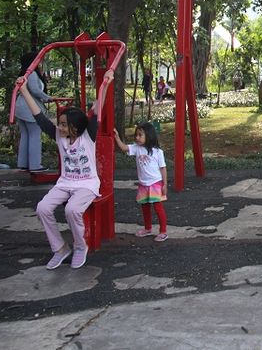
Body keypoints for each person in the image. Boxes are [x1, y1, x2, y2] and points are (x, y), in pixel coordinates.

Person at [16, 69, 114, 270]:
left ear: (76, 128)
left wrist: (107, 83)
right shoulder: (59, 137)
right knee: (42, 209)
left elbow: (98, 108)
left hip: (86, 184)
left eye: (63, 125)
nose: (58, 127)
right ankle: (60, 248)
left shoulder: (88, 136)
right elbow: (39, 116)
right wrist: (23, 89)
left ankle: (80, 246)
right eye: (59, 124)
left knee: (72, 209)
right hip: (66, 183)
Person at [113, 122, 169, 242]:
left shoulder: (158, 152)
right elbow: (123, 148)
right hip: (143, 184)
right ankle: (148, 228)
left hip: (155, 183)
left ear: (149, 135)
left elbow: (163, 168)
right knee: (145, 207)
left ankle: (163, 231)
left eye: (140, 135)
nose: (137, 137)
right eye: (136, 135)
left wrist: (165, 184)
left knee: (158, 207)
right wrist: (117, 137)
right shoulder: (136, 148)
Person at [14, 52, 51, 172]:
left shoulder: (24, 74)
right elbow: (35, 90)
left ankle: (23, 163)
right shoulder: (32, 74)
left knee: (25, 135)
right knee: (35, 135)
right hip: (30, 108)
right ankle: (35, 165)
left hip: (20, 107)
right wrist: (48, 98)